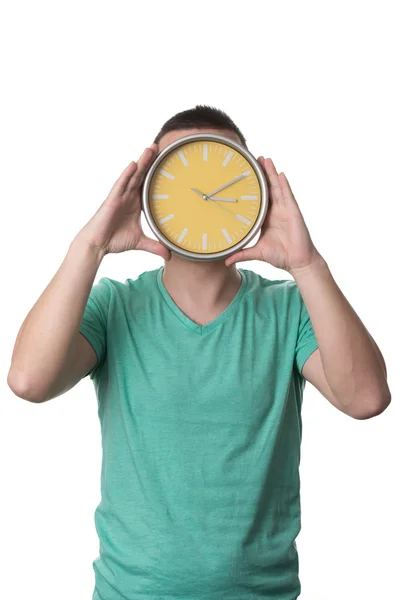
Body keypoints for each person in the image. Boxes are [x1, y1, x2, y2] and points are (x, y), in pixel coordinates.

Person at [7, 105, 391, 600]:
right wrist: (92, 244)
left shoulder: (291, 309)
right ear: (148, 197)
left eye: (224, 176)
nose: (203, 195)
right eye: (175, 175)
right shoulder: (113, 306)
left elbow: (366, 399)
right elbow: (28, 382)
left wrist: (306, 263)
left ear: (253, 192)